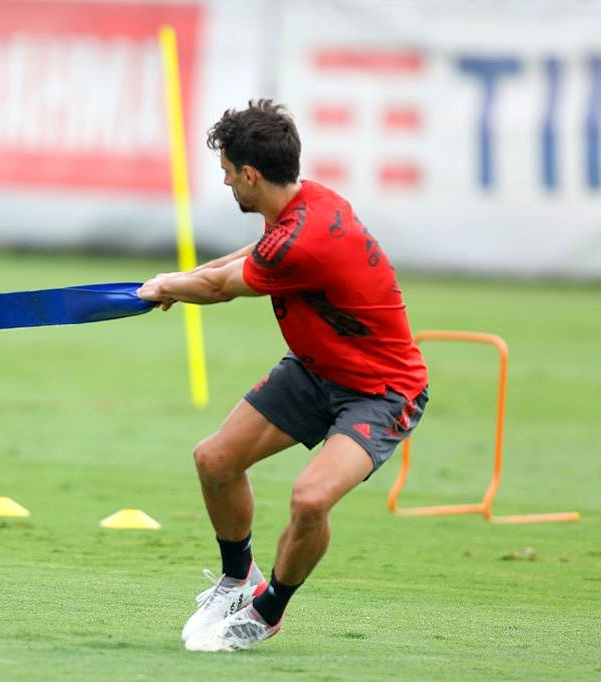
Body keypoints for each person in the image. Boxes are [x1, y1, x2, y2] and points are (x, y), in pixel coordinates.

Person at [137, 99, 429, 652]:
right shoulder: (304, 203)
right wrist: (181, 277)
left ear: (251, 174)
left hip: (381, 391)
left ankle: (266, 610)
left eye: (227, 175)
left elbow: (225, 289)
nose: (226, 185)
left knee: (310, 499)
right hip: (317, 370)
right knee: (215, 460)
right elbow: (255, 250)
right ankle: (237, 579)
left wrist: (168, 286)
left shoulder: (304, 240)